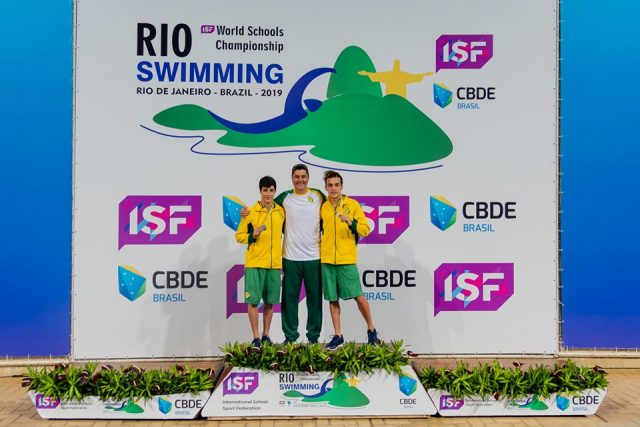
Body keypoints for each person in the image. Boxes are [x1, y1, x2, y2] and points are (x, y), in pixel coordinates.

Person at [320, 170, 378, 350]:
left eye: (337, 185)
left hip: (346, 259)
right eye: (330, 185)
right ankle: (338, 335)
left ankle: (371, 330)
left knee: (358, 297)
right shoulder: (322, 207)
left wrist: (351, 223)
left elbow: (365, 229)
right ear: (326, 187)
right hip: (327, 260)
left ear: (342, 186)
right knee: (332, 299)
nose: (333, 188)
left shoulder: (352, 205)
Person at [274, 164, 325, 344]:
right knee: (289, 300)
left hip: (314, 257)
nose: (300, 180)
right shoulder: (284, 197)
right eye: (297, 176)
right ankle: (290, 337)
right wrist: (246, 213)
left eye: (303, 176)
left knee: (315, 300)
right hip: (290, 258)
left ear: (308, 178)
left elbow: (334, 208)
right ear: (292, 178)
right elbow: (265, 208)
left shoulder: (318, 196)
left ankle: (313, 337)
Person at [235, 176, 285, 348]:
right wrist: (252, 236)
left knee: (270, 302)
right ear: (260, 191)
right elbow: (239, 236)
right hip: (255, 263)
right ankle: (256, 337)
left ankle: (266, 335)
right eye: (265, 190)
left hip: (274, 264)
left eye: (271, 190)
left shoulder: (281, 212)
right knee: (254, 301)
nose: (268, 194)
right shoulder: (250, 212)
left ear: (275, 191)